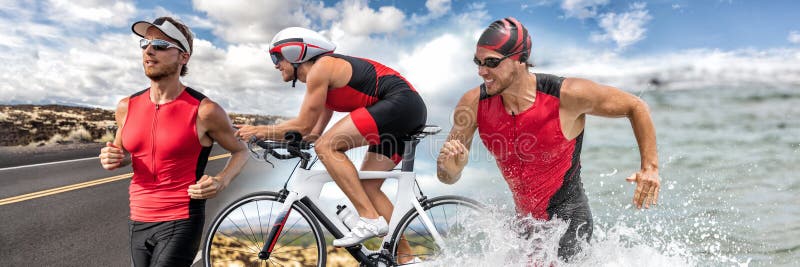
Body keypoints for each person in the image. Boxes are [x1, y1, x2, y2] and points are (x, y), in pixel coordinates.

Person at [436, 17, 661, 261]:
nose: (482, 71)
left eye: (491, 62)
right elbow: (446, 177)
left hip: (567, 223)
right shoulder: (473, 104)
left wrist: (650, 167)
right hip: (524, 227)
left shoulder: (566, 95)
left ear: (520, 60)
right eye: (478, 62)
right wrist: (451, 169)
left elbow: (635, 106)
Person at [235, 27, 426, 257]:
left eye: (277, 57)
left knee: (327, 147)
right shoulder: (323, 84)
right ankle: (407, 258)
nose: (276, 64)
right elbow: (311, 133)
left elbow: (305, 126)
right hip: (405, 109)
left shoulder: (321, 68)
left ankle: (369, 219)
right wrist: (280, 140)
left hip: (399, 102)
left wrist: (260, 130)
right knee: (368, 186)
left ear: (297, 52)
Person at [98, 17, 248, 267]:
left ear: (183, 56)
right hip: (138, 217)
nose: (149, 50)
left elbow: (241, 151)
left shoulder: (204, 110)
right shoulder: (126, 107)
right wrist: (114, 158)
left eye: (160, 44)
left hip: (180, 218)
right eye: (145, 43)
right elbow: (122, 153)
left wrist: (221, 181)